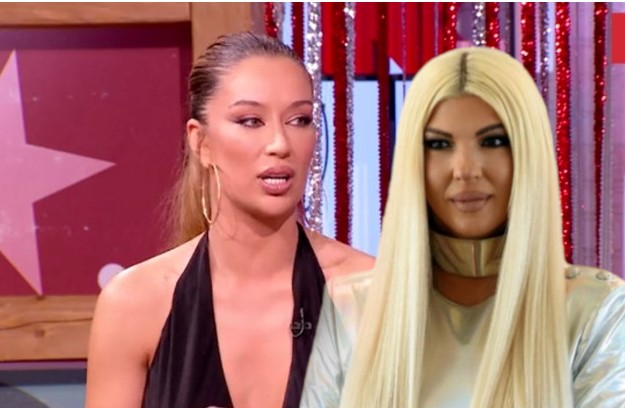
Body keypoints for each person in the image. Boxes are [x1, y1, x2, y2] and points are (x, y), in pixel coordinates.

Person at [300, 47, 625, 408]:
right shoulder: (351, 307)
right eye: (439, 144)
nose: (466, 169)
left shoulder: (595, 310)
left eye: (493, 141)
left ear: (528, 151)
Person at [85, 32, 374, 408]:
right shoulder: (134, 303)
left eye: (299, 119)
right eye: (251, 121)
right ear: (201, 142)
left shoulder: (370, 294)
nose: (280, 144)